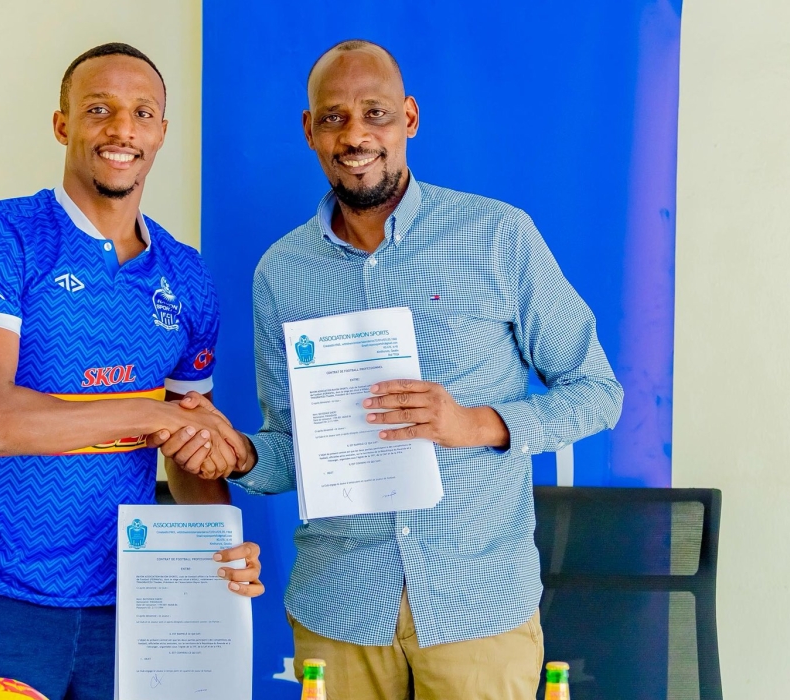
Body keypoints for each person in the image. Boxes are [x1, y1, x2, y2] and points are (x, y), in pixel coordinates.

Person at [157, 40, 623, 699]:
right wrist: (239, 458)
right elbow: (292, 446)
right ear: (309, 131)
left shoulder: (499, 236)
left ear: (409, 117)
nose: (355, 135)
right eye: (333, 117)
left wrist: (477, 423)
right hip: (340, 613)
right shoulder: (281, 274)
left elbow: (598, 394)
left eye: (375, 113)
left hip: (477, 610)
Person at [0, 43, 261, 700]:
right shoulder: (1, 236)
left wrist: (219, 542)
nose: (121, 129)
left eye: (142, 112)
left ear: (160, 131)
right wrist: (148, 412)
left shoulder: (185, 278)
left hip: (131, 608)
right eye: (98, 109)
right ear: (63, 124)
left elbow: (189, 448)